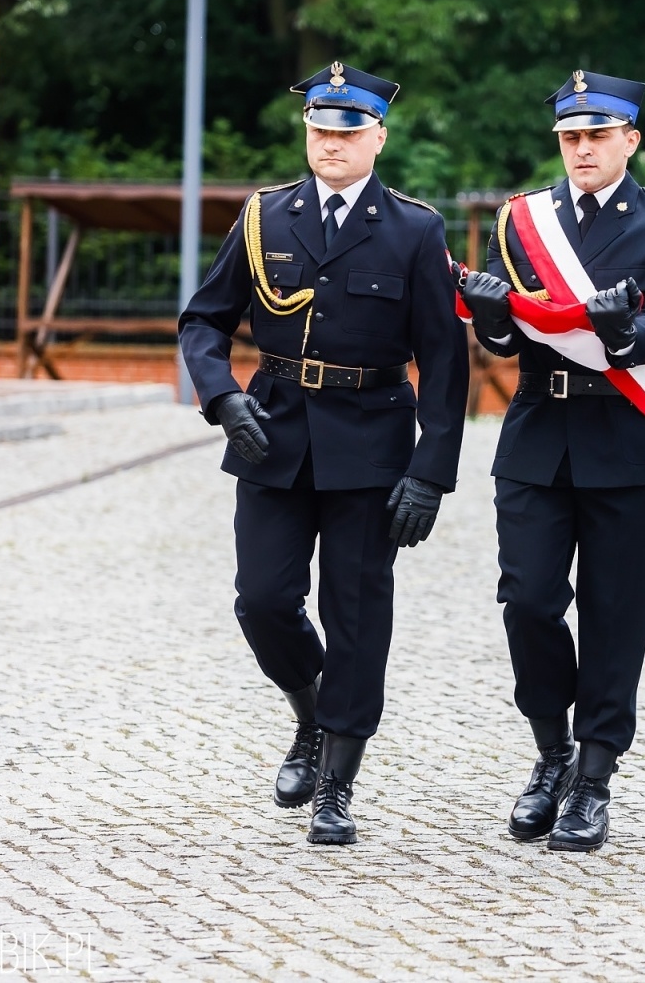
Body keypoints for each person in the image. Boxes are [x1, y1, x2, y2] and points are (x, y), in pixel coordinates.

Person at [178, 62, 468, 845]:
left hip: (372, 442)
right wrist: (222, 394)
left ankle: (337, 782)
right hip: (270, 432)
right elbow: (203, 321)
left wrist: (430, 472)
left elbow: (444, 363)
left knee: (357, 611)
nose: (329, 143)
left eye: (345, 131)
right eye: (318, 129)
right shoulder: (266, 216)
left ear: (378, 135)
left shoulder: (414, 228)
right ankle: (309, 712)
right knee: (263, 599)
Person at [455, 70, 645, 851]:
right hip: (536, 428)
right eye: (571, 137)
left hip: (622, 437)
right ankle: (550, 749)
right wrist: (492, 325)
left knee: (613, 612)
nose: (583, 148)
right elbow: (509, 332)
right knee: (527, 599)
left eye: (598, 135)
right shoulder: (521, 219)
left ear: (631, 139)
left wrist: (622, 334)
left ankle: (593, 775)